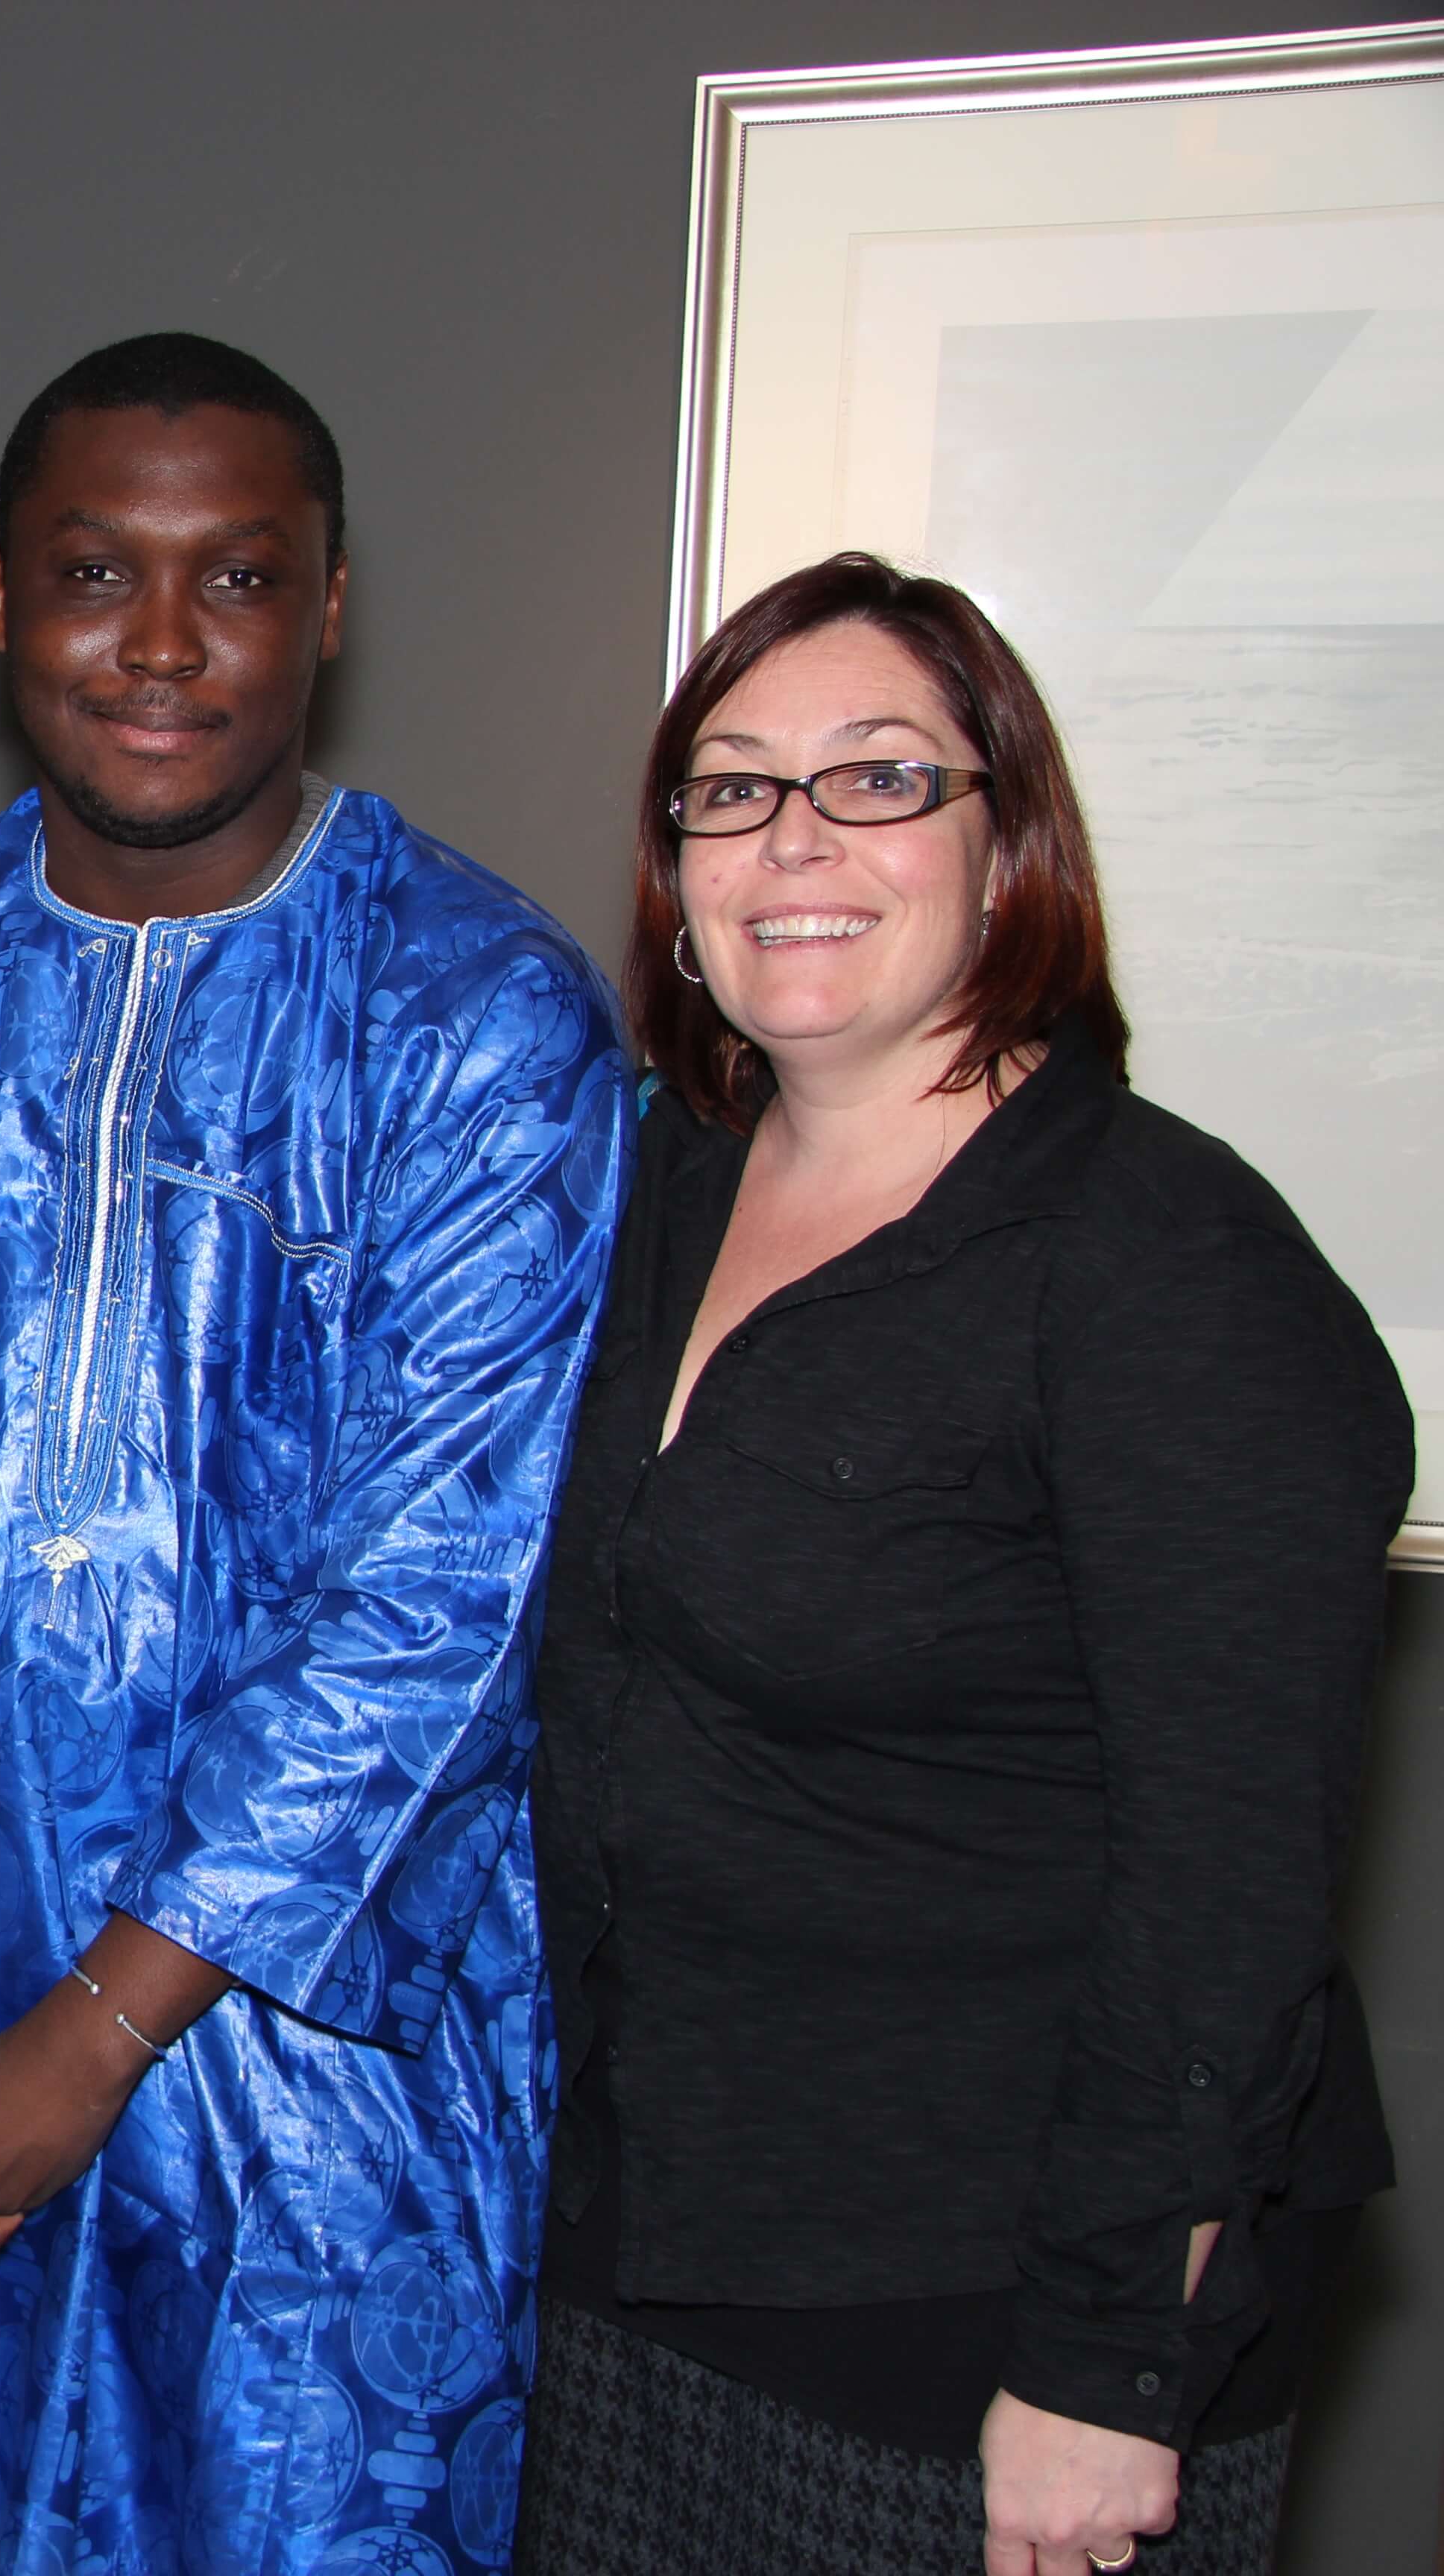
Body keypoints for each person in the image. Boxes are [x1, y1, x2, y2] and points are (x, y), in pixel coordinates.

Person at [0, 332, 625, 2576]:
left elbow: (436, 1620)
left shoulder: (478, 1026)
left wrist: (84, 2046)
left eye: (239, 578)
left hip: (287, 2064)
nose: (161, 642)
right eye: (95, 571)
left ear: (332, 609)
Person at [512, 552, 1409, 2576]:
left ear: (1008, 847)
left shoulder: (1164, 1268)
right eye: (730, 789)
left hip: (988, 2315)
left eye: (879, 779)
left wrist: (1105, 2365)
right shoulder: (653, 1194)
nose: (792, 838)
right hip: (644, 2255)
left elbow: (1231, 1879)